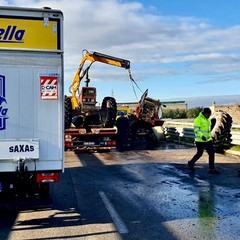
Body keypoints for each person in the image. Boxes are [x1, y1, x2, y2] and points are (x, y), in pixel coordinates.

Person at [188, 107, 220, 174]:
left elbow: (208, 131)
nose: (209, 116)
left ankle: (212, 169)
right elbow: (196, 130)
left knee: (211, 153)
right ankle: (191, 162)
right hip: (200, 140)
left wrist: (210, 137)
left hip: (208, 140)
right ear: (205, 113)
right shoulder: (198, 119)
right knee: (200, 153)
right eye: (208, 114)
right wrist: (202, 136)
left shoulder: (208, 120)